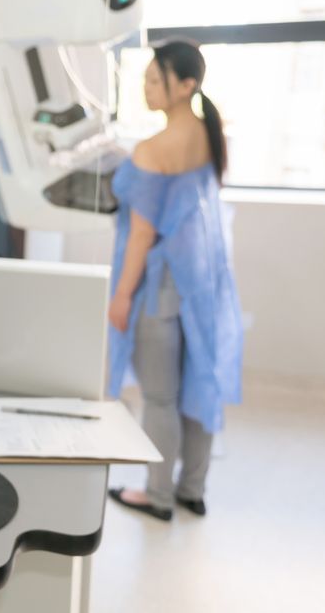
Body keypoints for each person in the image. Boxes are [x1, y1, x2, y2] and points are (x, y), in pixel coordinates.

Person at [106, 40, 243, 522]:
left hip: (159, 287)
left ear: (186, 85)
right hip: (202, 281)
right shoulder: (211, 133)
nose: (145, 87)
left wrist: (121, 295)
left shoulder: (153, 148)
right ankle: (191, 489)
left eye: (154, 79)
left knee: (160, 396)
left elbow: (142, 235)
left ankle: (158, 495)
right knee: (198, 382)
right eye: (143, 78)